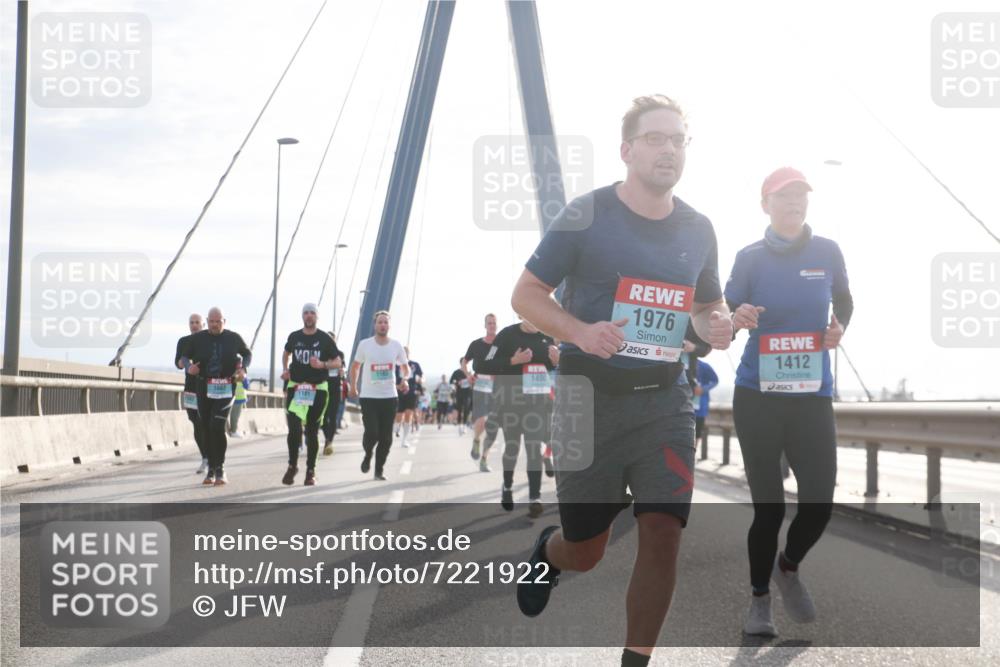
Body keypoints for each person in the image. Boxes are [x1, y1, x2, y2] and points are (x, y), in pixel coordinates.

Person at [509, 95, 733, 667]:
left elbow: (707, 307)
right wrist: (580, 331)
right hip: (588, 403)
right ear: (627, 150)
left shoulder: (699, 227)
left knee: (663, 529)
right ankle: (549, 554)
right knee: (587, 550)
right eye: (656, 139)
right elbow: (526, 295)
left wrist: (721, 323)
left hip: (665, 402)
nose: (669, 149)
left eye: (679, 140)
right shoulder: (587, 214)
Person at [725, 166, 852, 637]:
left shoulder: (828, 251)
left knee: (819, 503)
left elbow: (845, 300)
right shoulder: (750, 257)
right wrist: (737, 316)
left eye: (800, 194)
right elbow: (726, 308)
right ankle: (760, 602)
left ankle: (789, 565)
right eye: (784, 195)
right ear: (766, 204)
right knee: (770, 508)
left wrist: (840, 326)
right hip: (758, 395)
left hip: (810, 395)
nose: (794, 201)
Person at [481, 317, 558, 518]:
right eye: (528, 312)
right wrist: (514, 361)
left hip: (537, 405)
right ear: (520, 314)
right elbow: (483, 364)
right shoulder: (506, 335)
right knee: (512, 448)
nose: (533, 317)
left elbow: (554, 368)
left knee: (534, 449)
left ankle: (535, 498)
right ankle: (507, 486)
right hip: (511, 403)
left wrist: (558, 362)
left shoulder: (547, 336)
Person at [181, 307, 253, 486]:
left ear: (224, 321)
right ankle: (211, 469)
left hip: (226, 386)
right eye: (211, 321)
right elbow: (184, 356)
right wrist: (189, 366)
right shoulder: (198, 339)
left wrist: (242, 369)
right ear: (208, 321)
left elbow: (247, 353)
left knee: (217, 425)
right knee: (206, 427)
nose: (214, 325)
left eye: (217, 322)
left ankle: (220, 468)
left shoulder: (233, 337)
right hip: (203, 386)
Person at [280, 304, 341, 487]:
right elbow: (286, 352)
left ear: (317, 317)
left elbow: (337, 362)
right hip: (296, 387)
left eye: (312, 313)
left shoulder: (324, 339)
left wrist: (322, 365)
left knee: (312, 432)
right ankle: (292, 465)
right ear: (302, 316)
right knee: (294, 429)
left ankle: (310, 471)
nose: (309, 316)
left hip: (318, 389)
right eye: (306, 313)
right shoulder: (294, 336)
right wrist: (285, 369)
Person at [349, 310, 409, 481]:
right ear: (375, 325)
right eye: (380, 322)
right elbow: (355, 366)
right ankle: (368, 454)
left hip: (390, 397)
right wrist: (353, 386)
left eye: (385, 322)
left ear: (389, 325)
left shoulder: (396, 346)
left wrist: (405, 379)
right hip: (369, 397)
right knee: (372, 433)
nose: (383, 325)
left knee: (386, 438)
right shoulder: (365, 345)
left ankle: (379, 470)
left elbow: (405, 367)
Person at [462, 313, 500, 464]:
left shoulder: (502, 344)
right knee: (482, 420)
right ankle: (477, 439)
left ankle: (484, 457)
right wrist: (468, 375)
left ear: (497, 325)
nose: (491, 325)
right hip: (480, 385)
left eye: (494, 323)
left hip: (498, 387)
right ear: (485, 326)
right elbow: (464, 362)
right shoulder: (476, 344)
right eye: (489, 323)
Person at [175, 313, 207, 474]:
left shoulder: (208, 341)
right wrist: (185, 361)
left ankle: (212, 456)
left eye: (197, 322)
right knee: (196, 422)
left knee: (206, 422)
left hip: (207, 387)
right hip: (190, 388)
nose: (194, 325)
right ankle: (205, 458)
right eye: (191, 322)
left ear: (203, 325)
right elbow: (178, 363)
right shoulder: (183, 341)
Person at [321, 331, 346, 456]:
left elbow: (343, 368)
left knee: (333, 416)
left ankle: (329, 441)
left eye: (331, 339)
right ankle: (327, 438)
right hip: (322, 388)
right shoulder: (320, 354)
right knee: (323, 418)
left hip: (335, 389)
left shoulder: (340, 354)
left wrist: (342, 372)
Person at [394, 347, 423, 448]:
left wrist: (420, 380)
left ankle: (404, 439)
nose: (404, 354)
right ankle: (396, 428)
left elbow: (422, 377)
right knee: (399, 415)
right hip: (398, 392)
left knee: (408, 414)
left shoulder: (415, 365)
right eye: (402, 352)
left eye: (406, 352)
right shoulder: (395, 365)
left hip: (411, 392)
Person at [693, 358, 718, 443]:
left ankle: (692, 455)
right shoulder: (678, 362)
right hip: (681, 407)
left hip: (700, 407)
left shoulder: (704, 366)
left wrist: (703, 389)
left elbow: (715, 380)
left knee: (697, 433)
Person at [450, 362, 473, 436]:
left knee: (466, 409)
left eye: (466, 363)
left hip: (468, 393)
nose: (465, 365)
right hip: (459, 393)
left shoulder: (470, 372)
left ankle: (465, 425)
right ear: (461, 364)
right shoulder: (456, 372)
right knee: (459, 409)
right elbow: (451, 381)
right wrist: (457, 382)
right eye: (464, 363)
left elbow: (474, 381)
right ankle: (460, 426)